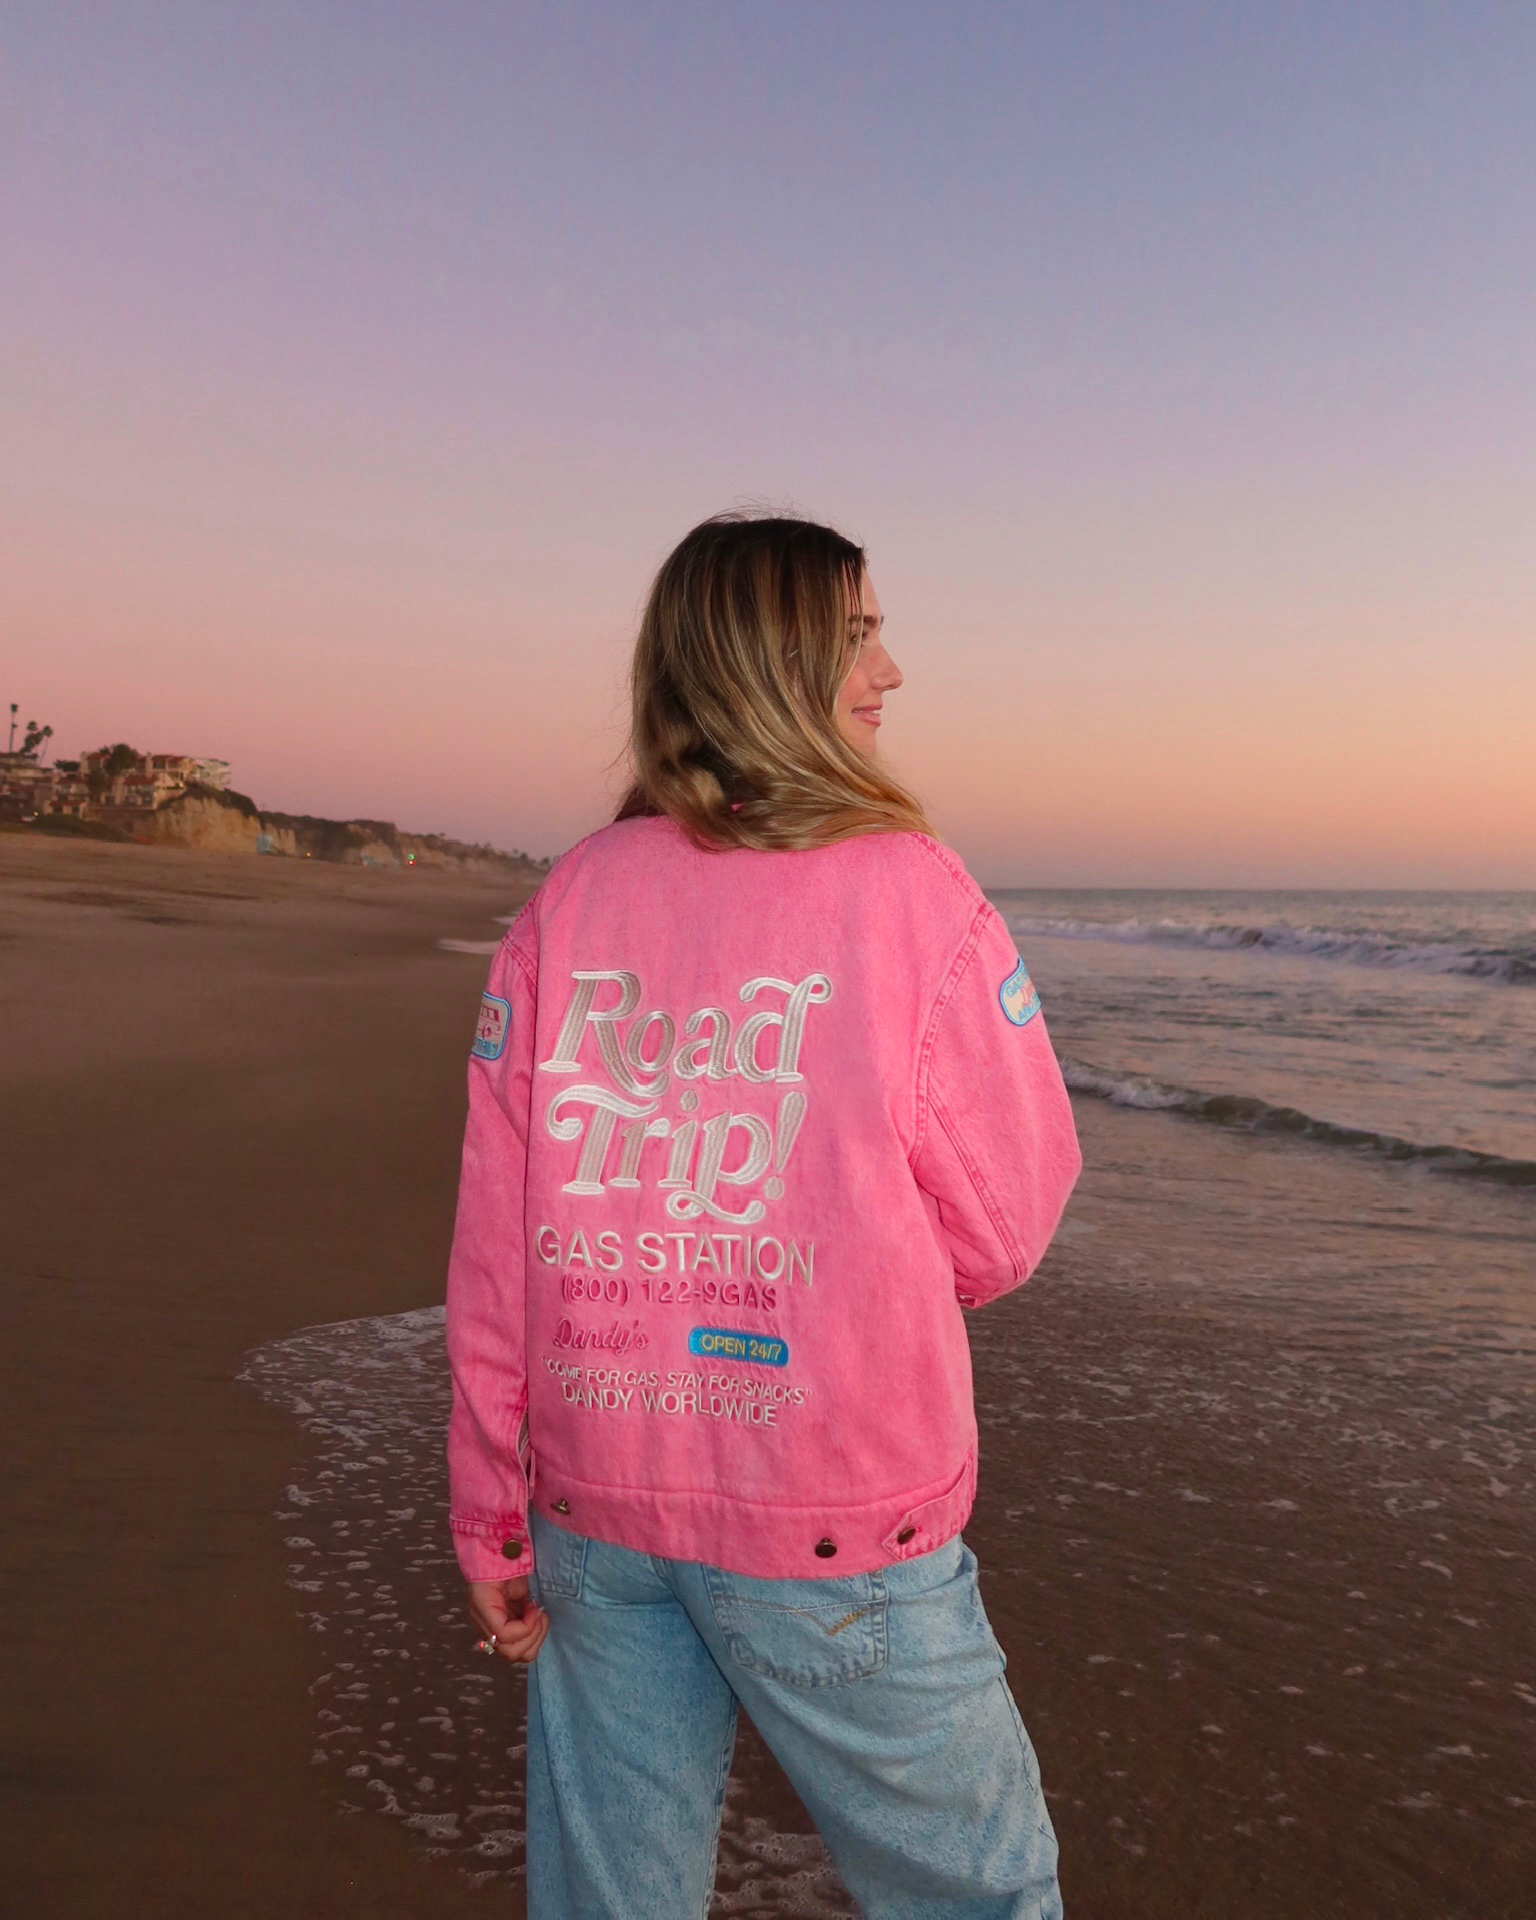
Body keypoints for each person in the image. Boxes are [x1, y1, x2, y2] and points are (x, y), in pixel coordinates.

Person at [445, 512, 1082, 1919]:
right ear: (772, 662)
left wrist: (490, 1514)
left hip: (596, 1503)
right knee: (982, 1896)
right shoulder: (908, 888)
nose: (890, 670)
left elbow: (499, 1255)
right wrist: (845, 1274)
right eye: (859, 635)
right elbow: (1008, 1218)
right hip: (832, 1513)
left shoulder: (573, 898)